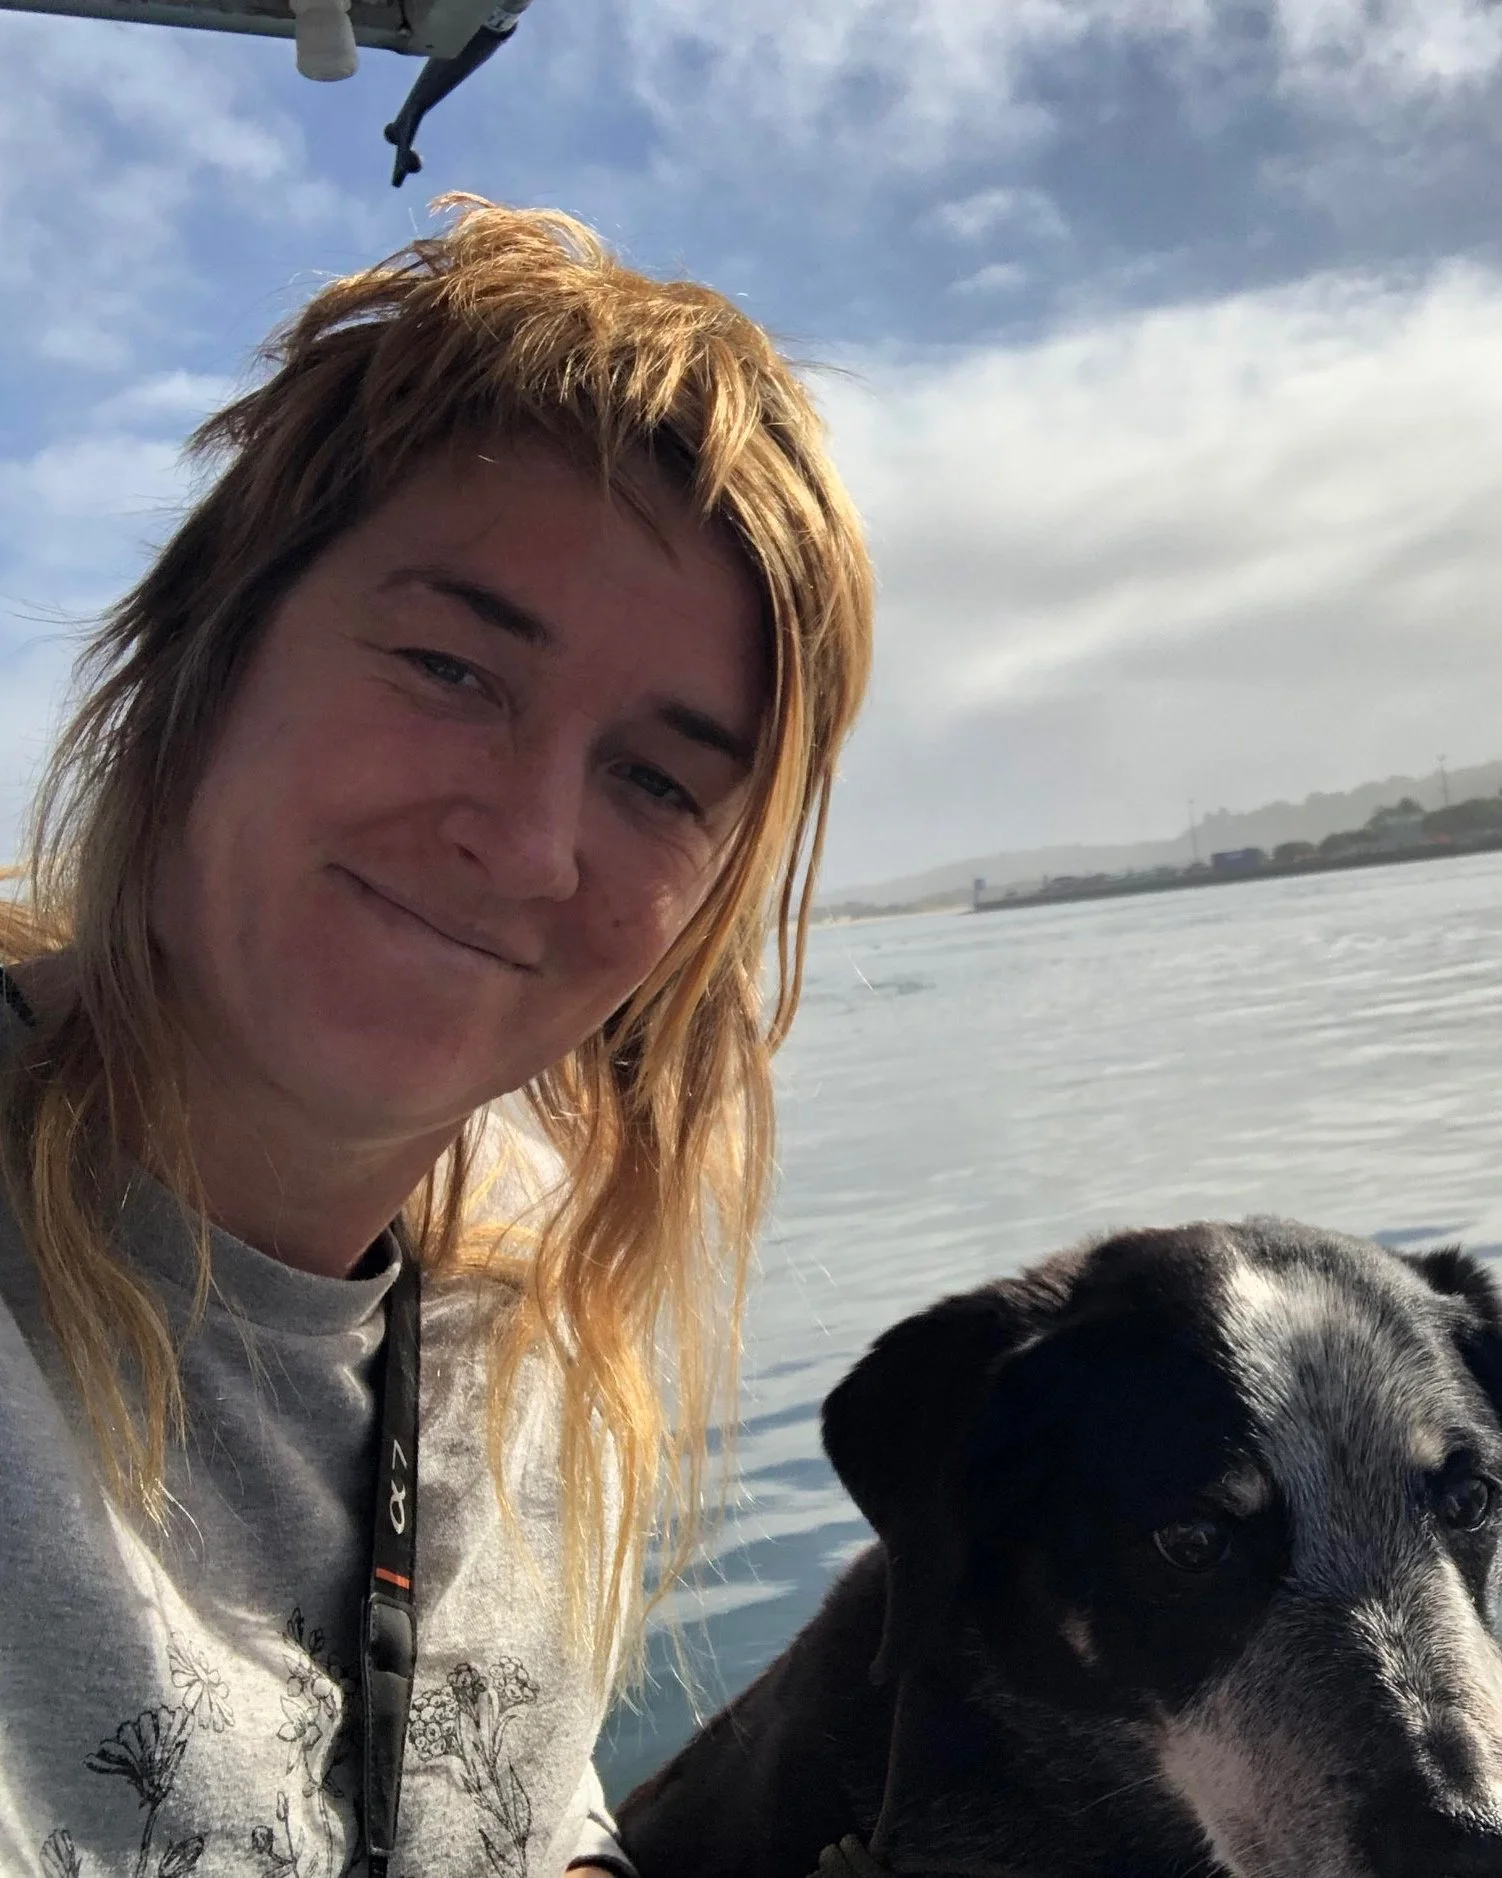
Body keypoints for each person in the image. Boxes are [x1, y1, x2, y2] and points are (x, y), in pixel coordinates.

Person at [0, 197, 873, 1876]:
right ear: (203, 645)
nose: (531, 842)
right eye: (450, 667)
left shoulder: (527, 1304)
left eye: (655, 780)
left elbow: (512, 1809)